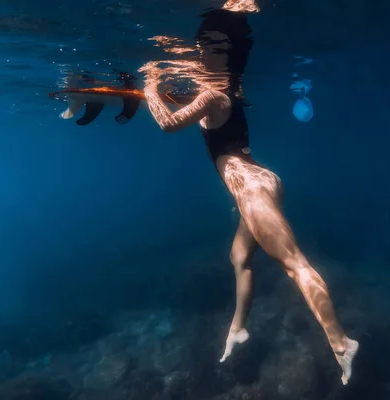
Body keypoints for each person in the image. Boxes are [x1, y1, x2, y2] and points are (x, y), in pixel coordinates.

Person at [139, 0, 359, 385]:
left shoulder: (213, 95)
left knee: (295, 264)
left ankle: (341, 342)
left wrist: (150, 88)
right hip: (255, 182)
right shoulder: (220, 94)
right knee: (239, 256)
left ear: (218, 55)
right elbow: (192, 114)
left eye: (205, 49)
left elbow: (169, 125)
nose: (201, 53)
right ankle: (239, 328)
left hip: (252, 189)